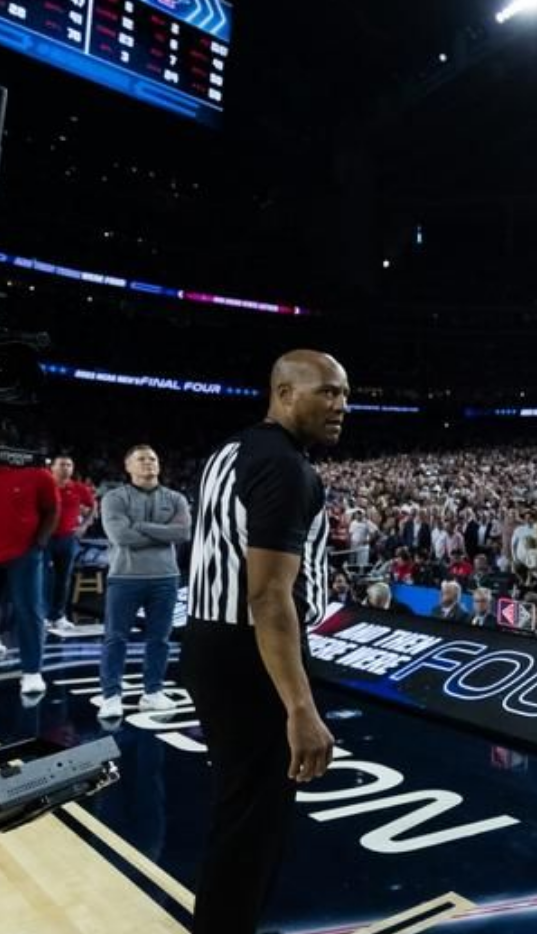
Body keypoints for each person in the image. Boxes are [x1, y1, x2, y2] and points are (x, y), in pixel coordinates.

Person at [181, 350, 348, 934]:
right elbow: (269, 597)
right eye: (325, 392)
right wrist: (301, 706)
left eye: (345, 395)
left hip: (208, 641)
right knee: (252, 827)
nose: (340, 406)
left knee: (240, 812)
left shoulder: (233, 449)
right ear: (282, 392)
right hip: (254, 655)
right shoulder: (286, 468)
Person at [0, 427, 59, 699]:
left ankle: (32, 672)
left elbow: (52, 509)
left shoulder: (36, 472)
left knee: (29, 611)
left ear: (3, 441)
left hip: (23, 554)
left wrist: (39, 544)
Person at [97, 445, 191, 719]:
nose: (148, 463)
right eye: (141, 459)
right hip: (124, 577)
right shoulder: (114, 498)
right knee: (115, 639)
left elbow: (183, 532)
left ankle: (153, 693)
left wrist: (141, 526)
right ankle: (111, 695)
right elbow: (121, 537)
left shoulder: (176, 498)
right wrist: (164, 533)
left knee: (159, 639)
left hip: (166, 578)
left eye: (153, 458)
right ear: (128, 467)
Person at [44, 454, 96, 632]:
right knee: (43, 579)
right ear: (52, 467)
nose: (66, 468)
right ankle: (42, 615)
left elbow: (93, 505)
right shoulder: (44, 486)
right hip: (45, 538)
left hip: (68, 539)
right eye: (62, 464)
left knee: (63, 579)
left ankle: (57, 616)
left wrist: (84, 525)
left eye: (69, 465)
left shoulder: (79, 488)